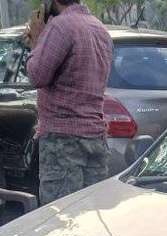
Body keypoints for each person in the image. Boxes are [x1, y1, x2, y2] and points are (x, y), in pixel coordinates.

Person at [25, 0, 113, 205]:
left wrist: (37, 41)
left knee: (62, 221)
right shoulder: (99, 29)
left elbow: (37, 75)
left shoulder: (60, 27)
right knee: (91, 216)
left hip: (62, 142)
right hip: (95, 139)